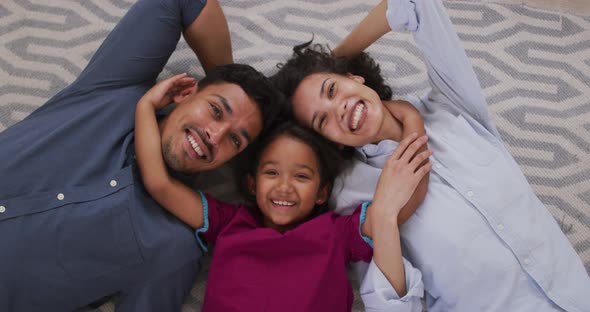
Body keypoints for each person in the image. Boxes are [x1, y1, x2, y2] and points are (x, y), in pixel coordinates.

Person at [271, 0, 590, 311]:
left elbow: (416, 5)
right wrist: (383, 215)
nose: (336, 108)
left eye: (332, 90)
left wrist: (330, 63)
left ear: (355, 76)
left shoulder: (451, 106)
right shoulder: (351, 193)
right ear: (329, 141)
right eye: (322, 120)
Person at [0, 0, 283, 310]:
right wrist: (233, 76)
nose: (214, 136)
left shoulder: (173, 247)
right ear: (187, 92)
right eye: (215, 110)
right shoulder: (116, 89)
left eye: (234, 140)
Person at [134, 75, 431, 311]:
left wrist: (410, 119)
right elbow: (160, 185)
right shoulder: (230, 222)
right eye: (271, 173)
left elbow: (394, 210)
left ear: (321, 192)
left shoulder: (337, 233)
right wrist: (145, 107)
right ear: (251, 184)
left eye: (302, 176)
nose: (285, 187)